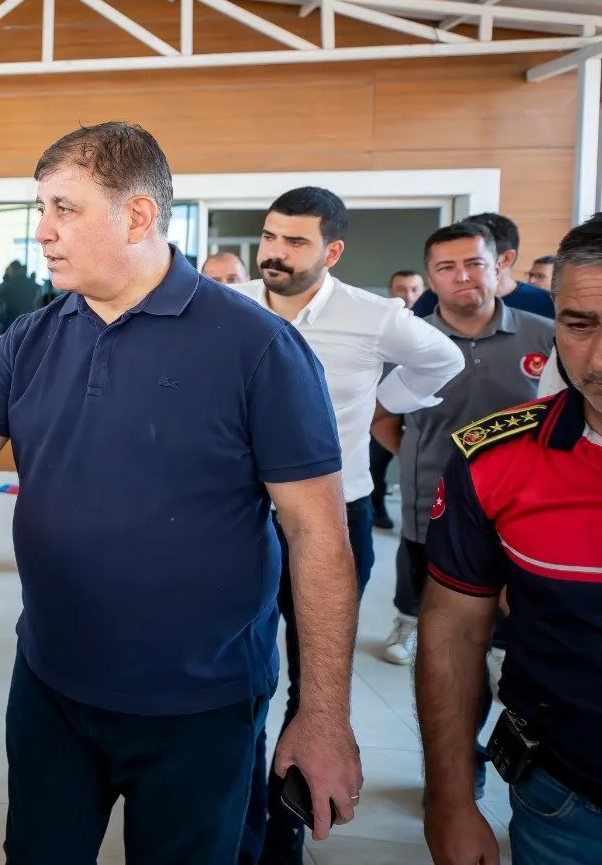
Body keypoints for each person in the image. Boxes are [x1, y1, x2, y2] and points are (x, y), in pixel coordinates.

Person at [0, 122, 361, 865]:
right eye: (41, 209)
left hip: (199, 706)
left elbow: (319, 536)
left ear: (139, 216)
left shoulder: (257, 348)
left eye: (65, 208)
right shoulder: (32, 337)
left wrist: (323, 715)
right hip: (53, 685)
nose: (43, 231)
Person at [235, 187, 463, 865]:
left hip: (338, 516)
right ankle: (235, 824)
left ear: (331, 250)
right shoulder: (234, 307)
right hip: (244, 517)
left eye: (295, 241)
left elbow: (443, 361)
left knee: (314, 686)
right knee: (241, 674)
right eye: (271, 237)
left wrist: (377, 409)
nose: (276, 251)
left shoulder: (376, 316)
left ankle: (286, 838)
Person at [417, 213, 602, 865]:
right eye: (580, 325)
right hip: (564, 799)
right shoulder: (494, 459)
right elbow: (452, 635)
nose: (600, 357)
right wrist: (450, 800)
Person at [373, 219, 553, 680]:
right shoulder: (405, 341)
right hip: (432, 491)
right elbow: (382, 420)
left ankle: (502, 644)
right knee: (422, 571)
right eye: (446, 267)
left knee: (515, 578)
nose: (463, 276)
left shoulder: (546, 336)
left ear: (499, 266)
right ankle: (408, 624)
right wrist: (416, 455)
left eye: (475, 263)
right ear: (430, 278)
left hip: (525, 498)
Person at [370, 268, 432, 530]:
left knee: (420, 467)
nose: (409, 295)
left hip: (423, 408)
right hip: (381, 410)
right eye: (402, 289)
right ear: (390, 291)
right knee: (375, 466)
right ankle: (378, 511)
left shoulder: (432, 325)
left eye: (415, 289)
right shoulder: (377, 325)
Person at [412, 212, 555, 319]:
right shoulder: (433, 299)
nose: (462, 276)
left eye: (474, 262)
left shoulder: (548, 305)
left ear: (504, 259)